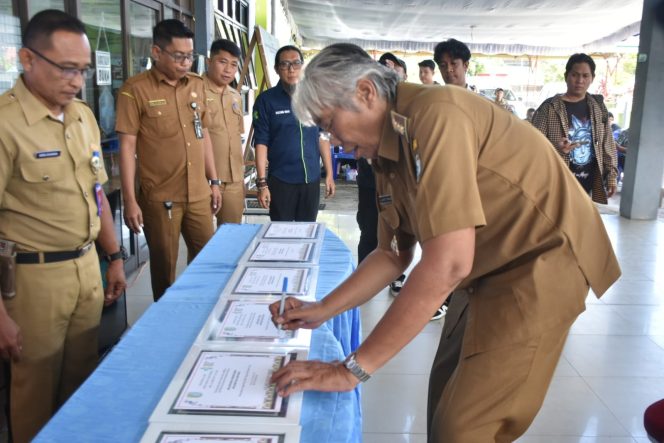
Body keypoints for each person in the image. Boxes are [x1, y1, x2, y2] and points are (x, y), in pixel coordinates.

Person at [268, 43, 620, 442]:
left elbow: (447, 263)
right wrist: (321, 309)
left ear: (366, 92)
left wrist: (352, 370)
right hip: (484, 267)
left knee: (465, 427)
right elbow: (391, 254)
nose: (333, 142)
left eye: (330, 124)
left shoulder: (436, 115)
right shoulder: (385, 148)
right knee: (442, 402)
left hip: (542, 259)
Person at [0, 10, 126, 442]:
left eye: (83, 70)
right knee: (33, 394)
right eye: (66, 68)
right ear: (27, 59)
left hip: (85, 269)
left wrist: (113, 257)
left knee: (82, 385)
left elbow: (97, 195)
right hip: (33, 281)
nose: (75, 80)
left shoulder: (82, 117)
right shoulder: (5, 124)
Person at [116, 19, 221, 301]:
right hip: (161, 198)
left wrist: (214, 181)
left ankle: (199, 314)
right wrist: (130, 200)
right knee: (165, 271)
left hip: (199, 194)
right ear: (156, 52)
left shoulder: (197, 86)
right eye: (179, 56)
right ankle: (166, 326)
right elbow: (127, 147)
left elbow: (205, 135)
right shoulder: (135, 90)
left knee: (206, 262)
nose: (186, 63)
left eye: (190, 56)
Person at [252, 45, 335, 221]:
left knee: (306, 232)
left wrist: (329, 173)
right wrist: (262, 184)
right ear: (277, 69)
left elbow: (323, 136)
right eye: (285, 64)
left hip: (310, 180)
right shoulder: (266, 101)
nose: (291, 69)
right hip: (281, 180)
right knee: (281, 234)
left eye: (296, 63)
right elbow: (261, 142)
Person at [532, 53, 618, 204]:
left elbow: (608, 145)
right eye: (575, 75)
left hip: (588, 183)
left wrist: (611, 176)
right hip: (556, 182)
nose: (580, 80)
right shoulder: (549, 108)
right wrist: (557, 149)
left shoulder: (598, 107)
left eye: (585, 76)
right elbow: (532, 145)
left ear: (592, 78)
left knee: (582, 225)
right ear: (566, 76)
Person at [203, 39, 245, 227]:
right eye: (222, 62)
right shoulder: (194, 91)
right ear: (209, 61)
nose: (228, 69)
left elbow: (237, 137)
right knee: (200, 242)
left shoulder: (235, 96)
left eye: (234, 65)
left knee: (232, 237)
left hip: (234, 180)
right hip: (203, 180)